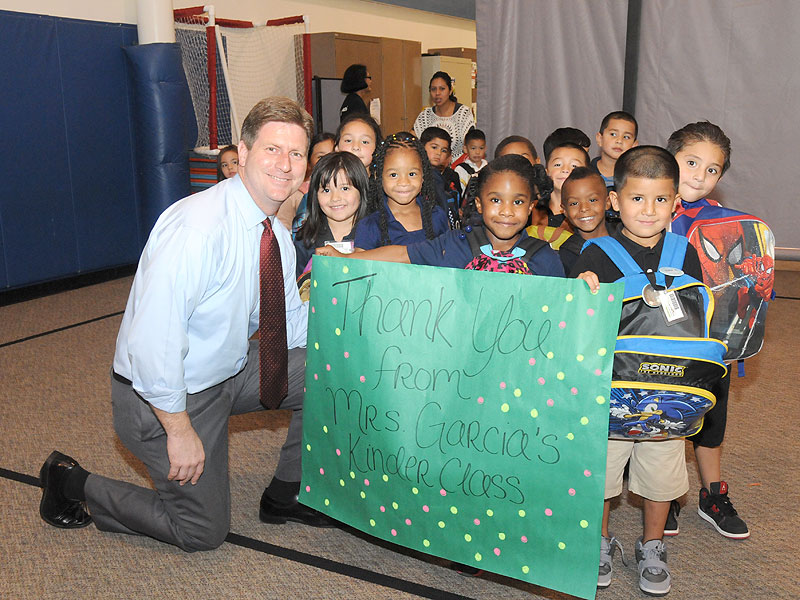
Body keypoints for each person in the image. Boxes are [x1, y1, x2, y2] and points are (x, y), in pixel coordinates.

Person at [37, 97, 333, 552]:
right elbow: (153, 344)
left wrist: (356, 339)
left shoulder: (272, 231)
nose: (285, 164)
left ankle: (286, 493)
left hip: (225, 371)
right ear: (244, 150)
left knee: (332, 372)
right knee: (202, 532)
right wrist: (178, 431)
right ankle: (71, 481)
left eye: (297, 154)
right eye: (273, 149)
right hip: (164, 395)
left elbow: (291, 324)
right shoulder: (199, 229)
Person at [572, 146, 702, 596]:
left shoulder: (685, 253)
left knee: (661, 479)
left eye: (661, 200)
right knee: (602, 479)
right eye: (637, 199)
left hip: (669, 396)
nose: (649, 211)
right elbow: (576, 327)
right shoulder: (595, 253)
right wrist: (579, 290)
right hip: (609, 394)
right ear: (614, 200)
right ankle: (598, 542)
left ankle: (652, 544)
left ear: (675, 201)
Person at [664, 121, 749, 539]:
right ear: (669, 158)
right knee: (665, 413)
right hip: (661, 335)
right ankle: (666, 494)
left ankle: (711, 493)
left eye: (712, 169)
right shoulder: (647, 208)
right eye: (691, 162)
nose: (699, 175)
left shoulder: (724, 223)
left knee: (712, 416)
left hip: (711, 337)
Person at [317, 154, 564, 278]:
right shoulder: (455, 244)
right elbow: (402, 254)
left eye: (518, 202)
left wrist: (585, 286)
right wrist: (345, 258)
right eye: (495, 200)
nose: (507, 211)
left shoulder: (544, 257)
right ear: (478, 203)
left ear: (532, 206)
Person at [354, 131, 449, 250]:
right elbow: (360, 264)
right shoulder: (370, 225)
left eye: (412, 174)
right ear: (379, 176)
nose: (404, 183)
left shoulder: (437, 216)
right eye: (393, 175)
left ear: (423, 175)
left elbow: (448, 258)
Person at [294, 151, 369, 277]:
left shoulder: (375, 235)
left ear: (362, 190)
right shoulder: (306, 238)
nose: (335, 198)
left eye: (345, 188)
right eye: (326, 190)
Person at [557, 167, 610, 274]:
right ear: (564, 210)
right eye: (574, 203)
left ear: (607, 202)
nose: (584, 208)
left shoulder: (626, 237)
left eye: (592, 200)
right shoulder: (568, 254)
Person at [412, 71, 475, 161]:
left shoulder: (463, 113)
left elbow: (472, 145)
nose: (437, 93)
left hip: (459, 168)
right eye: (433, 89)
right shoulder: (425, 115)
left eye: (442, 89)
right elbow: (412, 140)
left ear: (450, 91)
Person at [287, 132, 336, 236]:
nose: (328, 161)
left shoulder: (349, 191)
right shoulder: (294, 193)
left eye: (333, 155)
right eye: (321, 157)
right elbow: (283, 229)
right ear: (308, 162)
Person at [420, 126, 461, 227]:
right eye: (434, 147)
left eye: (443, 150)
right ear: (421, 146)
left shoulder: (438, 175)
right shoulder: (421, 172)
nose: (438, 153)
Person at [544, 142, 591, 226]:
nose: (565, 169)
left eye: (574, 166)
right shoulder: (533, 210)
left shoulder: (588, 213)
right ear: (547, 171)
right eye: (558, 164)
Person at [590, 111, 639, 191]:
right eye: (613, 134)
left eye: (626, 137)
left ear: (634, 145)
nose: (619, 141)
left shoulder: (637, 178)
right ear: (600, 139)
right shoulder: (584, 173)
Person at [454, 128, 488, 194]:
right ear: (465, 149)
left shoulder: (488, 167)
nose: (477, 152)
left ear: (485, 149)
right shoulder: (460, 169)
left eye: (481, 148)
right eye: (473, 148)